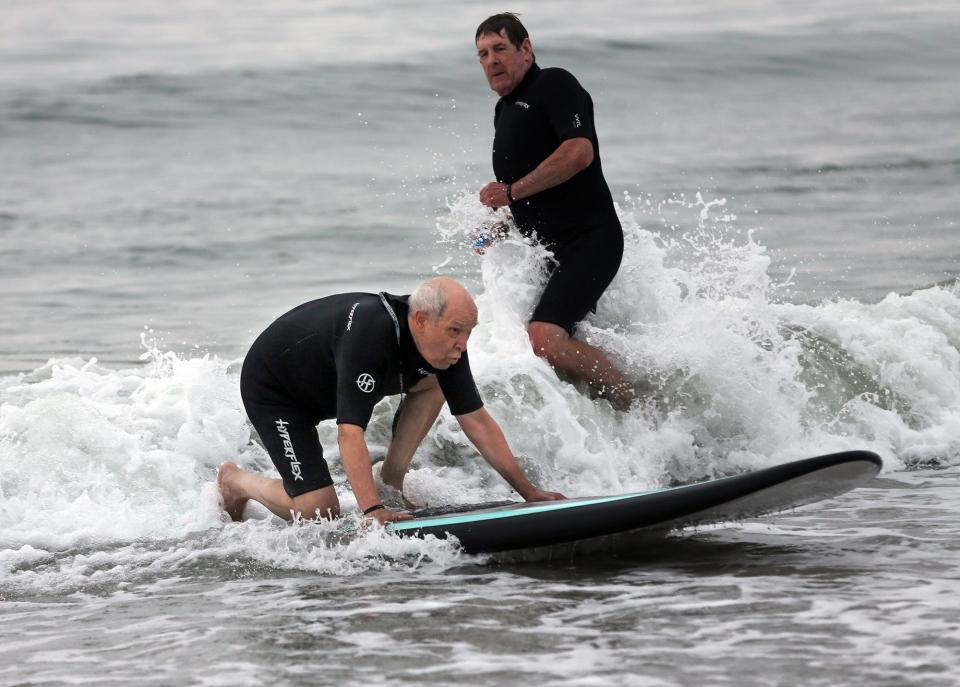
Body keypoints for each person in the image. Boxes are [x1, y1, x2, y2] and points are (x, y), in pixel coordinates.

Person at [217, 276, 564, 525]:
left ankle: (391, 481)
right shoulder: (370, 334)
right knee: (319, 512)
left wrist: (529, 492)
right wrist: (372, 512)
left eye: (468, 332)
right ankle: (236, 480)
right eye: (455, 330)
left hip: (325, 382)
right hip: (277, 391)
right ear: (421, 320)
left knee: (434, 383)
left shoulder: (445, 349)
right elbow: (349, 433)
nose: (463, 342)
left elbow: (476, 419)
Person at [475, 13, 635, 410]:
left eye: (500, 49)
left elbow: (579, 152)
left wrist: (510, 192)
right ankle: (609, 435)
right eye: (482, 55)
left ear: (525, 49)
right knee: (536, 347)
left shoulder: (555, 84)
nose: (491, 60)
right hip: (550, 251)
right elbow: (525, 190)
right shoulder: (504, 110)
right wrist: (495, 226)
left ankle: (636, 402)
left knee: (544, 337)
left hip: (589, 240)